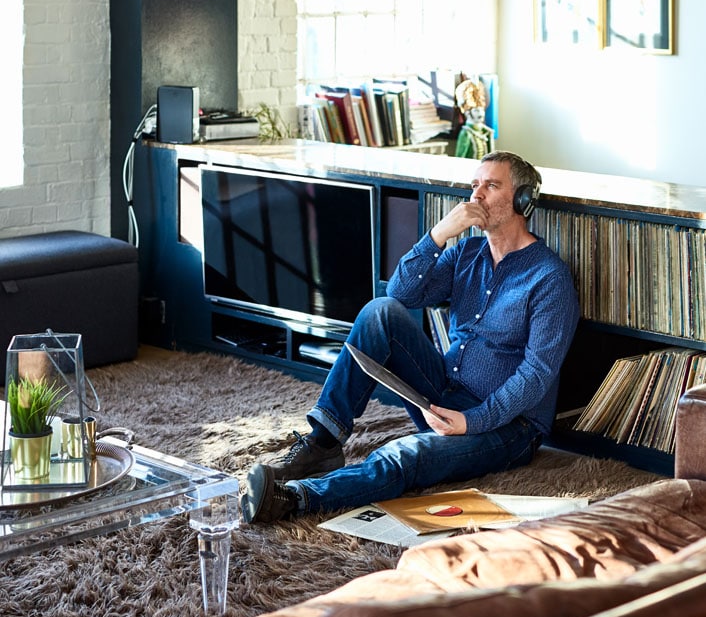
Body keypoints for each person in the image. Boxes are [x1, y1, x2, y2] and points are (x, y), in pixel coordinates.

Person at [241, 151, 580, 524]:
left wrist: (474, 421)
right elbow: (401, 294)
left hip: (508, 428)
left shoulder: (549, 277)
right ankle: (323, 441)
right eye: (474, 186)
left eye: (491, 185)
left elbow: (536, 375)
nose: (476, 196)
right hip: (443, 398)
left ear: (522, 200)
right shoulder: (466, 252)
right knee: (379, 312)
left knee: (406, 454)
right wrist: (438, 234)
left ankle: (293, 498)